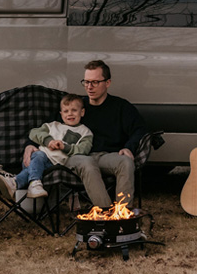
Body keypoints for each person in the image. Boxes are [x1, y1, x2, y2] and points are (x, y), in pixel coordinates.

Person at [24, 60, 148, 208]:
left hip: (105, 157)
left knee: (125, 162)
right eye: (86, 82)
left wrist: (129, 147)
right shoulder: (76, 107)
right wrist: (30, 145)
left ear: (107, 83)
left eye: (95, 82)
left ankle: (123, 214)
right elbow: (46, 127)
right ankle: (105, 214)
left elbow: (140, 129)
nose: (89, 87)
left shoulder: (121, 107)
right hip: (74, 157)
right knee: (87, 162)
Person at [0, 94, 93, 200]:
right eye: (66, 111)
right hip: (36, 158)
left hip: (55, 165)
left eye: (74, 110)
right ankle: (34, 184)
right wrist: (49, 141)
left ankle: (14, 183)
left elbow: (84, 149)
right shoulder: (53, 125)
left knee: (34, 168)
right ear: (61, 114)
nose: (70, 114)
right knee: (38, 154)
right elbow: (33, 133)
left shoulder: (85, 132)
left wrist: (65, 147)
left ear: (82, 112)